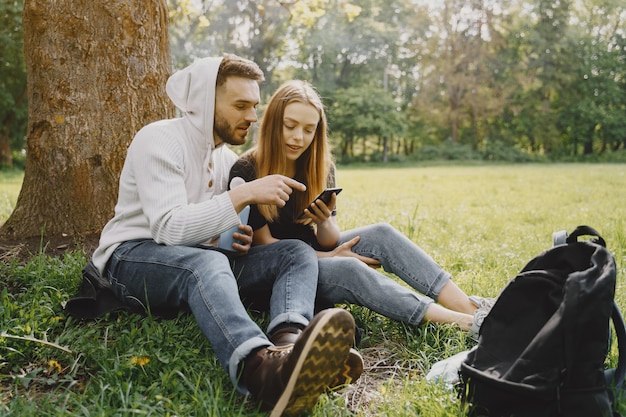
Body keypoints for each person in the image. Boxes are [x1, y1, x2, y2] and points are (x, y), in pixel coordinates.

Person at [86, 56, 360, 416]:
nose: (252, 116)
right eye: (240, 105)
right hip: (132, 257)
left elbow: (209, 230)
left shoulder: (225, 158)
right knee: (207, 261)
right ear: (204, 103)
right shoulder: (159, 139)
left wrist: (233, 238)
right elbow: (168, 228)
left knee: (293, 251)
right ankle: (260, 370)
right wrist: (242, 195)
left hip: (199, 258)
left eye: (254, 106)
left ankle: (290, 350)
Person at [228, 80, 494, 339]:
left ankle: (471, 307)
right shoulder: (248, 170)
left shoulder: (320, 166)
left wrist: (324, 224)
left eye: (309, 130)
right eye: (290, 126)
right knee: (349, 269)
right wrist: (332, 257)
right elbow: (268, 247)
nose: (299, 137)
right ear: (274, 123)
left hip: (315, 251)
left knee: (381, 234)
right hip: (281, 272)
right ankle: (463, 323)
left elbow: (328, 238)